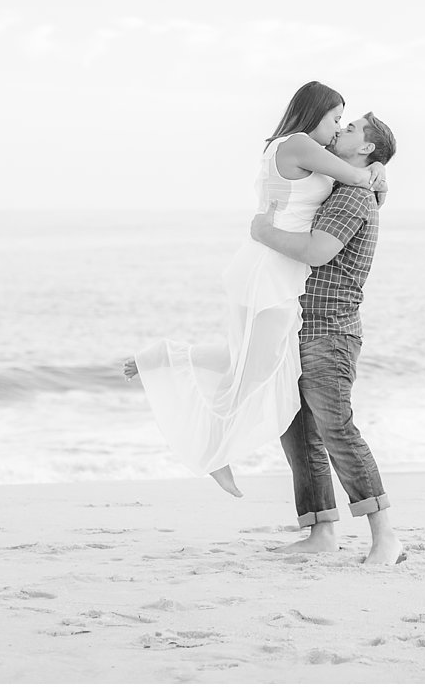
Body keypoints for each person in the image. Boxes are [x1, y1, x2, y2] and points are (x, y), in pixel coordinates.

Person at [125, 81, 386, 498]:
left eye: (344, 123)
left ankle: (170, 361)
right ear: (314, 112)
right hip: (272, 268)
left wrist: (377, 168)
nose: (338, 129)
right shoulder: (299, 143)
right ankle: (213, 445)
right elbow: (357, 175)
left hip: (272, 265)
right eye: (336, 118)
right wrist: (376, 171)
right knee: (258, 368)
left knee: (258, 361)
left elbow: (351, 179)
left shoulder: (291, 148)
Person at [248, 110, 403, 565]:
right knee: (298, 432)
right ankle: (320, 531)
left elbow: (317, 251)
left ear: (367, 148)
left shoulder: (354, 195)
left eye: (350, 128)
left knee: (336, 429)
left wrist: (264, 232)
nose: (339, 130)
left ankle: (386, 538)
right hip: (303, 324)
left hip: (330, 329)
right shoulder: (347, 183)